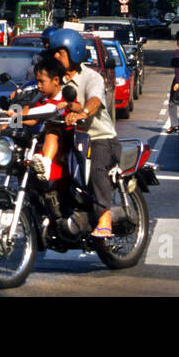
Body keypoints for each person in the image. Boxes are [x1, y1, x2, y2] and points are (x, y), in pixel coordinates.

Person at [47, 27, 119, 238]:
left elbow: (95, 100)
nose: (55, 56)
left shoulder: (91, 77)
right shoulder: (56, 80)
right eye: (54, 52)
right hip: (71, 138)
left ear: (74, 51)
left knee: (97, 168)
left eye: (60, 52)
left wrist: (83, 113)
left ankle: (104, 217)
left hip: (99, 137)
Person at [11, 52, 67, 180]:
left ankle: (46, 165)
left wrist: (17, 117)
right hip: (39, 141)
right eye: (37, 81)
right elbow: (30, 116)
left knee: (52, 132)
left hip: (62, 143)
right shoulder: (40, 97)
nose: (39, 85)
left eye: (42, 82)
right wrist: (11, 122)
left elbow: (38, 116)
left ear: (56, 80)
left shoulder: (61, 100)